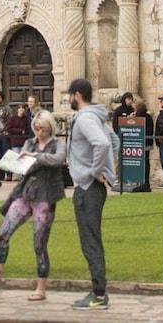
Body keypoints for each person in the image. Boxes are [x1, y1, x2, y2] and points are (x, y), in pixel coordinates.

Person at [0, 110, 66, 302]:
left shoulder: (58, 143)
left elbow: (58, 160)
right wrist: (19, 160)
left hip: (45, 197)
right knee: (3, 232)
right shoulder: (30, 143)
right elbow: (25, 166)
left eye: (43, 128)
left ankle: (41, 288)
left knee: (39, 243)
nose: (39, 132)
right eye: (36, 128)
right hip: (26, 193)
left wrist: (36, 157)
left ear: (50, 127)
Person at [66, 78, 116, 310]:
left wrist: (95, 171)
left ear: (77, 95)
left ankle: (98, 294)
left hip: (87, 188)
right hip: (92, 186)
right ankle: (98, 291)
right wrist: (108, 171)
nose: (68, 100)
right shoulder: (95, 117)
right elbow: (113, 141)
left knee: (90, 242)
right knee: (91, 240)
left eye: (69, 96)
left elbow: (103, 145)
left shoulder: (86, 118)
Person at [134, 100, 154, 192]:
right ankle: (145, 182)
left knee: (142, 162)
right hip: (147, 142)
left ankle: (142, 182)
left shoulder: (138, 118)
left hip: (141, 142)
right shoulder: (148, 117)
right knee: (146, 162)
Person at [0, 91, 12, 181]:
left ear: (2, 99)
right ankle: (0, 174)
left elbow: (10, 120)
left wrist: (6, 130)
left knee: (6, 154)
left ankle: (9, 174)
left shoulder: (7, 108)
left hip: (5, 135)